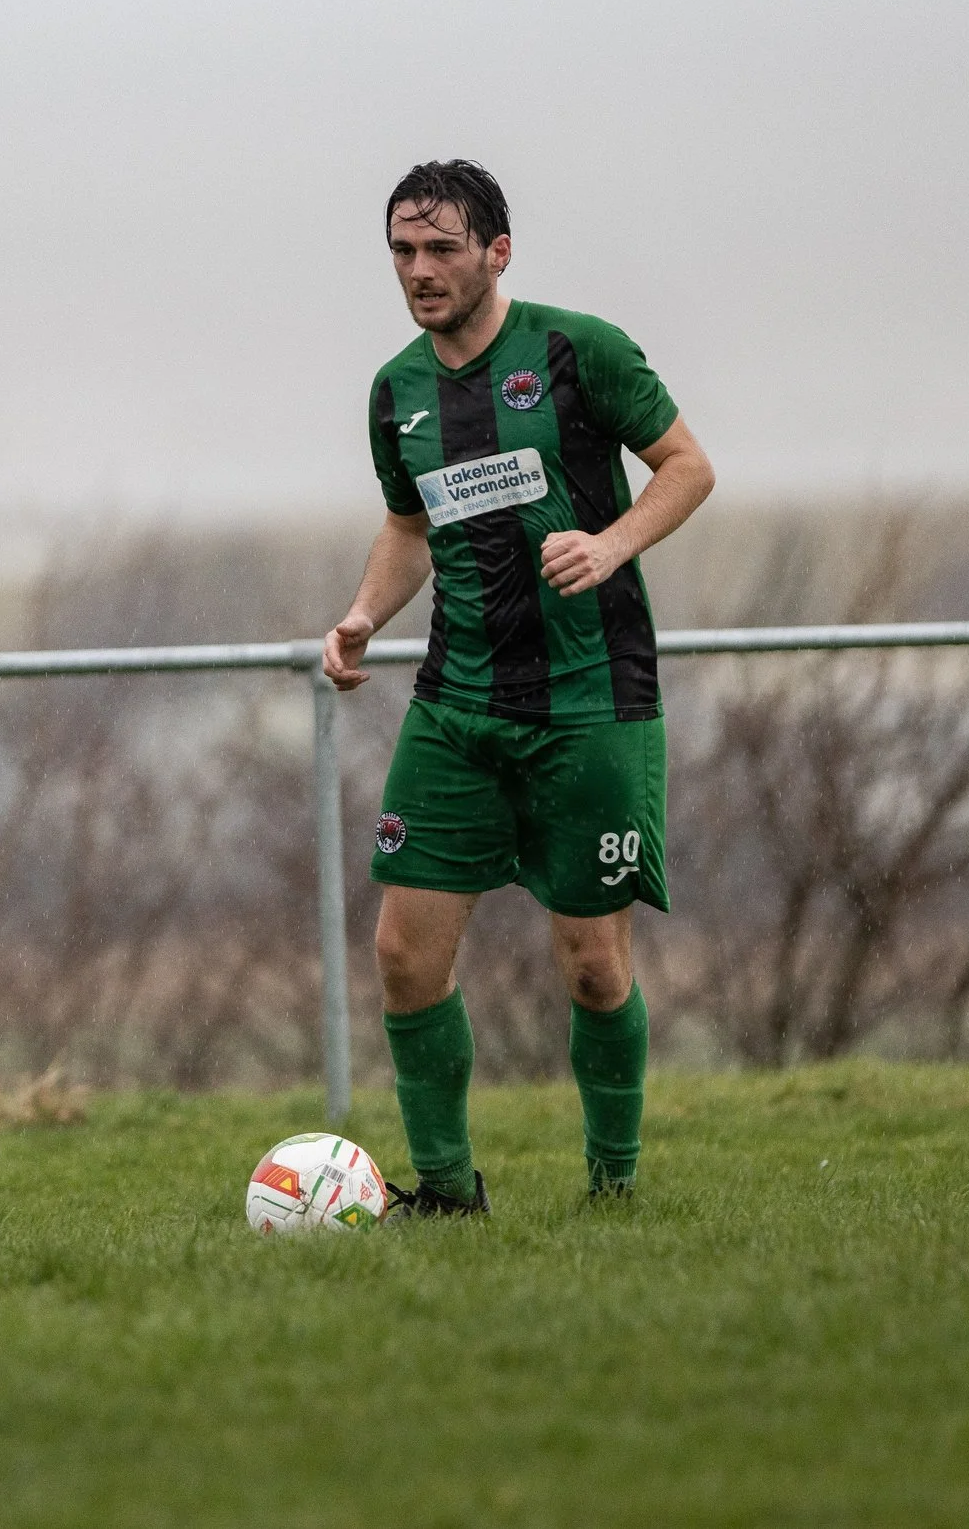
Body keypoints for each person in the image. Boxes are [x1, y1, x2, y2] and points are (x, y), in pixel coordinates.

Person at [323, 159, 715, 1216]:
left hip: (592, 700)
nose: (420, 270)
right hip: (455, 707)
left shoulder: (576, 349)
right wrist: (365, 614)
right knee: (403, 955)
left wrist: (612, 541)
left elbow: (686, 466)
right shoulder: (396, 393)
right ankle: (447, 1196)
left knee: (592, 963)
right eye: (403, 251)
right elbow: (411, 528)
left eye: (442, 248)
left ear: (497, 253)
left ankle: (614, 1189)